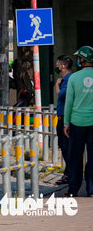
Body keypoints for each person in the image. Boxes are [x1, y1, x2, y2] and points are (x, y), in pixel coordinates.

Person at [64, 46, 93, 197]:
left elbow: (69, 102)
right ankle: (91, 189)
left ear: (82, 59)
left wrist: (66, 123)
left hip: (77, 122)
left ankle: (73, 189)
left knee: (75, 157)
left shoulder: (74, 77)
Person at [54, 55, 73, 186]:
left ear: (63, 66)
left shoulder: (68, 80)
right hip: (61, 117)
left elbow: (62, 95)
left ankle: (70, 174)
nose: (56, 66)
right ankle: (68, 173)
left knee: (67, 148)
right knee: (64, 147)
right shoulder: (66, 79)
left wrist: (57, 85)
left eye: (57, 64)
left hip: (66, 119)